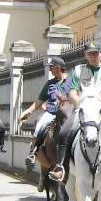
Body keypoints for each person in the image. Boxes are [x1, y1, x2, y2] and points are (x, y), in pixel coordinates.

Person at [50, 41, 101, 181]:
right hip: (83, 111)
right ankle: (62, 167)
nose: (93, 55)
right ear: (85, 54)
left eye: (96, 52)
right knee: (63, 133)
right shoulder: (78, 70)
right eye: (90, 53)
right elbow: (72, 93)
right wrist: (82, 103)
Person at [20, 57, 70, 185]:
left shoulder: (72, 81)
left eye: (51, 67)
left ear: (58, 67)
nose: (50, 69)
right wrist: (28, 112)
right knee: (39, 125)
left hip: (68, 113)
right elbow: (40, 101)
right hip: (52, 112)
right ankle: (33, 152)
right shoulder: (50, 83)